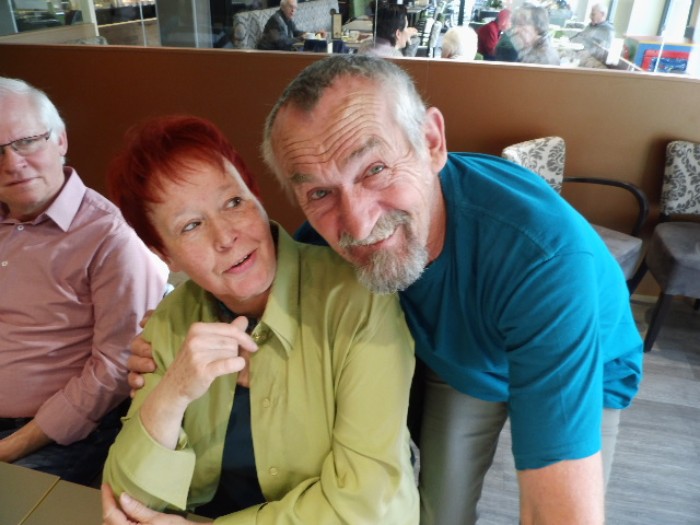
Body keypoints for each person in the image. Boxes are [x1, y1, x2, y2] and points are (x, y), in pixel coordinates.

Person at [125, 55, 643, 524]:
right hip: (461, 365)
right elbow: (266, 283)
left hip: (582, 357)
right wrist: (164, 348)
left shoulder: (542, 260)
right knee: (440, 513)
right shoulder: (324, 246)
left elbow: (559, 515)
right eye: (320, 192)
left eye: (374, 169)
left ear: (432, 142)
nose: (358, 222)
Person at [100, 115, 418, 524]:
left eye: (234, 202)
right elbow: (126, 499)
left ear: (255, 194)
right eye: (191, 225)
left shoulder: (357, 299)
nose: (225, 236)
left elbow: (366, 502)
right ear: (165, 255)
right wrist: (173, 392)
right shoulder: (171, 321)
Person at [0, 77, 168, 485]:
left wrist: (11, 447)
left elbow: (115, 367)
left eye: (27, 142)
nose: (12, 163)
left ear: (61, 140)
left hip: (54, 437)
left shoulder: (111, 237)